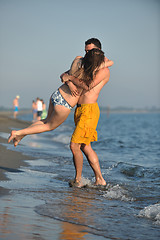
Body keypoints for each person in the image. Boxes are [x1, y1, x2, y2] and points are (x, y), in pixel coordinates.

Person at [8, 48, 113, 149]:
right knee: (49, 126)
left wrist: (69, 80)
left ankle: (21, 135)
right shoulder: (90, 69)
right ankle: (18, 133)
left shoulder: (77, 59)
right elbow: (87, 85)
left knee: (45, 121)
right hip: (65, 102)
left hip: (57, 94)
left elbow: (64, 75)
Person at [61, 38, 112, 187]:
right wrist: (68, 80)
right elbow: (64, 75)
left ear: (98, 51)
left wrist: (70, 78)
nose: (86, 54)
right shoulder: (87, 66)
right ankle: (100, 180)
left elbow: (88, 85)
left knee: (74, 145)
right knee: (85, 146)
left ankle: (78, 180)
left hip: (89, 111)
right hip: (80, 109)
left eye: (89, 51)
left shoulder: (103, 70)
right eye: (85, 51)